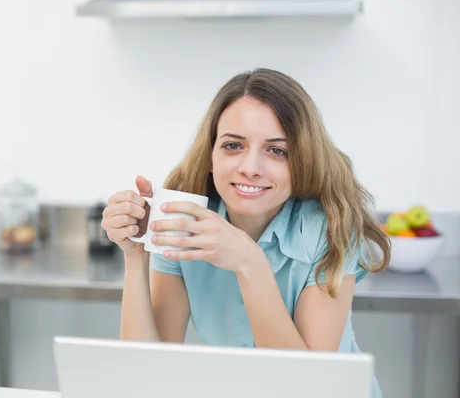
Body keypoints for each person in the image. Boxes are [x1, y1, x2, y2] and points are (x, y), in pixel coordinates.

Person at [101, 68, 390, 397]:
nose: (251, 167)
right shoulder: (185, 221)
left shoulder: (330, 230)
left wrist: (249, 262)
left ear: (303, 161)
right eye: (233, 145)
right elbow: (146, 375)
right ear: (211, 155)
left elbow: (306, 388)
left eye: (276, 150)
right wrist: (135, 256)